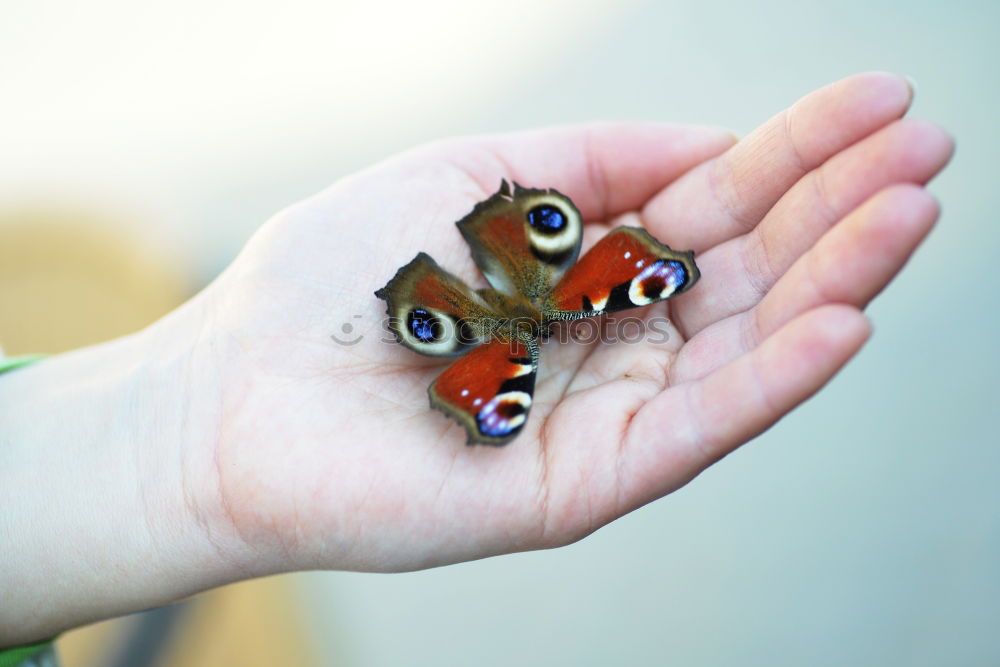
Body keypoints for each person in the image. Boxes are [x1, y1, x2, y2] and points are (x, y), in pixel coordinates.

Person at [0, 72, 953, 653]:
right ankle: (537, 261)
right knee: (594, 302)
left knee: (553, 320)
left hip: (479, 314)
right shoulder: (557, 323)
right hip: (537, 304)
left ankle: (487, 281)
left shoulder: (514, 349)